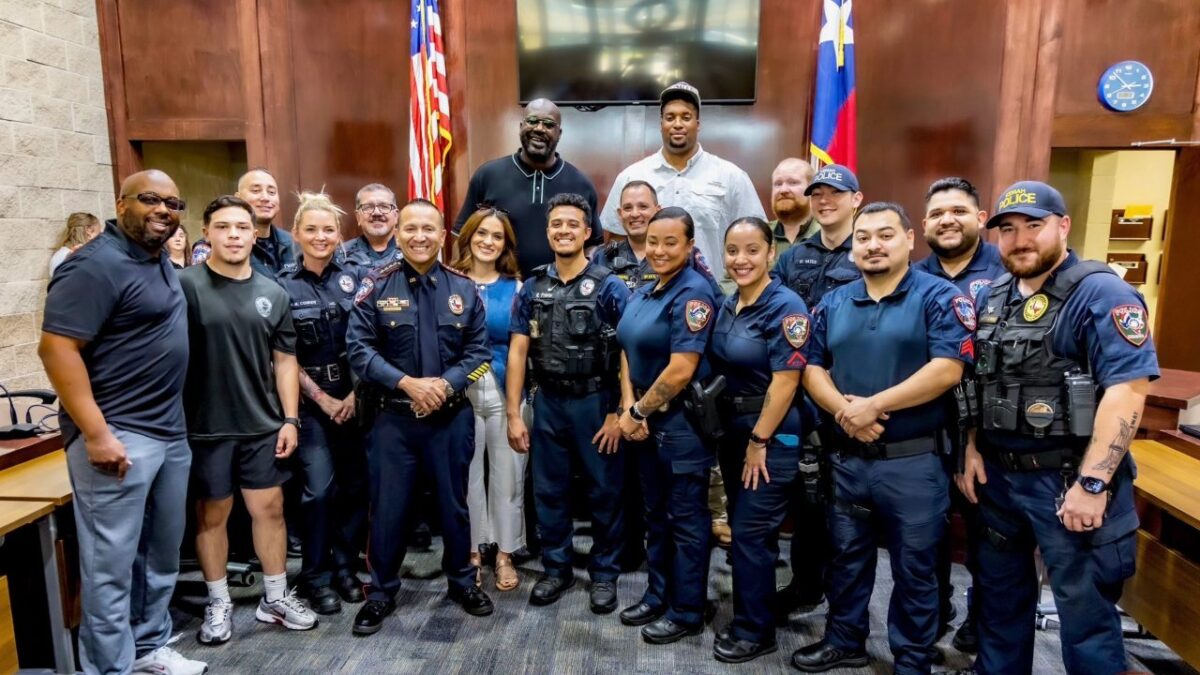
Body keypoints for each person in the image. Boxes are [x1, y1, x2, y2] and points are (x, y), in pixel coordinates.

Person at [956, 181, 1159, 675]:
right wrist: (971, 449)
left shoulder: (1101, 292)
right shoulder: (994, 296)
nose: (1020, 239)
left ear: (1063, 226)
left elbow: (1128, 391)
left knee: (1085, 619)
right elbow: (981, 382)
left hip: (1070, 481)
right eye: (1008, 230)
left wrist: (1093, 484)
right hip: (1000, 481)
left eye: (1033, 226)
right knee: (1000, 608)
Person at [791, 202, 972, 674]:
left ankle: (912, 659)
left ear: (910, 239)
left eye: (885, 235)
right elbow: (811, 366)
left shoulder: (938, 297)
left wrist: (875, 405)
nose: (872, 245)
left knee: (915, 570)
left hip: (912, 463)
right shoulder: (833, 301)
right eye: (863, 237)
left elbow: (948, 369)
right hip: (848, 457)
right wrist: (846, 411)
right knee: (846, 558)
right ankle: (845, 639)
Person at [39, 170, 206, 675]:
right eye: (151, 199)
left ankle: (148, 646)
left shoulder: (154, 259)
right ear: (122, 202)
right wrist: (95, 432)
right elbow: (56, 349)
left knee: (159, 554)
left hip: (168, 433)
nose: (163, 210)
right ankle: (109, 668)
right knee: (109, 568)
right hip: (118, 434)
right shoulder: (94, 264)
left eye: (173, 203)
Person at [346, 198, 495, 635]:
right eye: (410, 228)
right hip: (393, 420)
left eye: (428, 228)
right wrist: (408, 384)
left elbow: (480, 355)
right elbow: (359, 350)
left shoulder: (464, 289)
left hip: (450, 418)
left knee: (454, 506)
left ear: (442, 233)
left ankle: (462, 583)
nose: (419, 236)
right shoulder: (375, 286)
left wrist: (444, 385)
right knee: (389, 509)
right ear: (398, 232)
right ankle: (381, 593)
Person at [181, 195, 317, 646]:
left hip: (262, 425)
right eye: (223, 227)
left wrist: (291, 419)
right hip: (205, 427)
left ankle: (274, 597)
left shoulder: (272, 292)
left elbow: (284, 361)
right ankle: (218, 601)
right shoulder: (184, 286)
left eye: (242, 227)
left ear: (254, 233)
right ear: (207, 233)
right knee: (212, 516)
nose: (234, 235)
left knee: (270, 510)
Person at [507, 193, 631, 612]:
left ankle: (604, 573)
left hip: (596, 403)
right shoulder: (533, 287)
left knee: (604, 492)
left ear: (587, 231)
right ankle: (556, 569)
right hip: (548, 403)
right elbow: (518, 352)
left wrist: (621, 411)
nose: (564, 230)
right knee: (549, 492)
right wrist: (513, 413)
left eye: (572, 224)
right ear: (548, 232)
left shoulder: (611, 286)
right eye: (556, 224)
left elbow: (627, 351)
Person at [615, 206, 720, 645]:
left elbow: (681, 369)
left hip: (680, 425)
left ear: (690, 245)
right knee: (655, 516)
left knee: (686, 522)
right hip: (641, 419)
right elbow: (625, 346)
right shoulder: (648, 287)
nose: (658, 250)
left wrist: (637, 413)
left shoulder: (694, 293)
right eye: (653, 241)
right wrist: (628, 406)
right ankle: (659, 594)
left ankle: (687, 608)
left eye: (670, 242)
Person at [709, 217, 811, 664]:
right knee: (745, 528)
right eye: (733, 250)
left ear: (772, 253)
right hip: (735, 431)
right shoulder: (731, 302)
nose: (741, 259)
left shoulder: (785, 305)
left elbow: (787, 381)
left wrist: (759, 440)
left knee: (752, 533)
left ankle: (756, 631)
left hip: (770, 433)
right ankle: (756, 612)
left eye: (752, 250)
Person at [915, 177, 1005, 653]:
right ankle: (933, 609)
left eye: (959, 211)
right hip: (927, 426)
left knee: (985, 537)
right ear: (924, 224)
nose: (948, 220)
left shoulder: (1008, 271)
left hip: (989, 432)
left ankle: (982, 618)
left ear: (980, 217)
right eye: (937, 213)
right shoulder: (913, 276)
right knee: (927, 535)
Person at [772, 163, 864, 619]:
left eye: (835, 193)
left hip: (851, 392)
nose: (824, 201)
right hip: (800, 393)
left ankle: (845, 606)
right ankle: (806, 584)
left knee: (846, 506)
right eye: (818, 194)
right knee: (806, 498)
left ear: (856, 200)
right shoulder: (793, 256)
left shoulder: (866, 250)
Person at [275, 192, 369, 615]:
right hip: (311, 406)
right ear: (296, 233)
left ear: (339, 235)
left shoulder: (356, 278)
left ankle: (346, 568)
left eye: (328, 229)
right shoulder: (281, 285)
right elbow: (282, 355)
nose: (320, 236)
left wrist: (351, 396)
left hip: (356, 401)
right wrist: (323, 399)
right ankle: (316, 575)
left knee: (355, 488)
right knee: (318, 491)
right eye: (310, 229)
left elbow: (369, 342)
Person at [600, 81, 765, 283]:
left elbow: (756, 240)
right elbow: (615, 243)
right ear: (661, 124)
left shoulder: (731, 177)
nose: (677, 124)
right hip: (647, 298)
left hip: (710, 299)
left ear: (698, 123)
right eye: (670, 117)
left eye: (686, 117)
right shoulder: (631, 177)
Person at [450, 206, 527, 593]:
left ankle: (505, 553)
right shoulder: (447, 282)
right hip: (459, 395)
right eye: (481, 234)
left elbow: (518, 351)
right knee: (466, 478)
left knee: (508, 477)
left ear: (505, 244)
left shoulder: (515, 289)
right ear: (468, 237)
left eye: (497, 236)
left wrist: (515, 411)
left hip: (503, 392)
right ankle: (473, 552)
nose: (488, 242)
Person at [454, 99, 600, 277]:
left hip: (560, 294)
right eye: (532, 121)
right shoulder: (488, 175)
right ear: (521, 126)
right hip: (501, 293)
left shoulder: (581, 184)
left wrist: (580, 281)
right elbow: (461, 236)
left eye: (548, 124)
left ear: (559, 133)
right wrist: (463, 281)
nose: (539, 128)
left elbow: (594, 244)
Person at [192, 168, 296, 276]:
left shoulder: (293, 243)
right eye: (256, 191)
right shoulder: (215, 246)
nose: (265, 198)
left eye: (271, 192)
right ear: (238, 198)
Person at [768, 158, 819, 258]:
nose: (783, 190)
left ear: (811, 189)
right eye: (778, 184)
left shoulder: (827, 235)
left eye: (792, 182)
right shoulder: (760, 235)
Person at [343, 183, 400, 266]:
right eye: (368, 207)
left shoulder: (411, 252)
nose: (376, 213)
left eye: (384, 206)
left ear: (396, 216)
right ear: (358, 217)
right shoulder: (341, 255)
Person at [48, 211, 102, 275]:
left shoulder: (59, 255)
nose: (101, 237)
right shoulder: (65, 257)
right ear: (89, 232)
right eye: (99, 233)